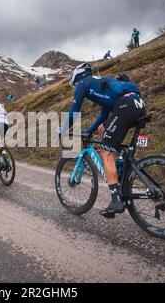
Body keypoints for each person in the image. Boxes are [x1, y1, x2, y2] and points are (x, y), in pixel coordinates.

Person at [63, 63, 147, 217]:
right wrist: (89, 131)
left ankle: (116, 200)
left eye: (74, 85)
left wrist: (62, 130)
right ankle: (123, 174)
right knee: (104, 129)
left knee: (106, 152)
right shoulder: (104, 87)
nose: (76, 88)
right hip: (138, 103)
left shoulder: (83, 83)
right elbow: (104, 116)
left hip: (126, 106)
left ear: (78, 76)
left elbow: (73, 112)